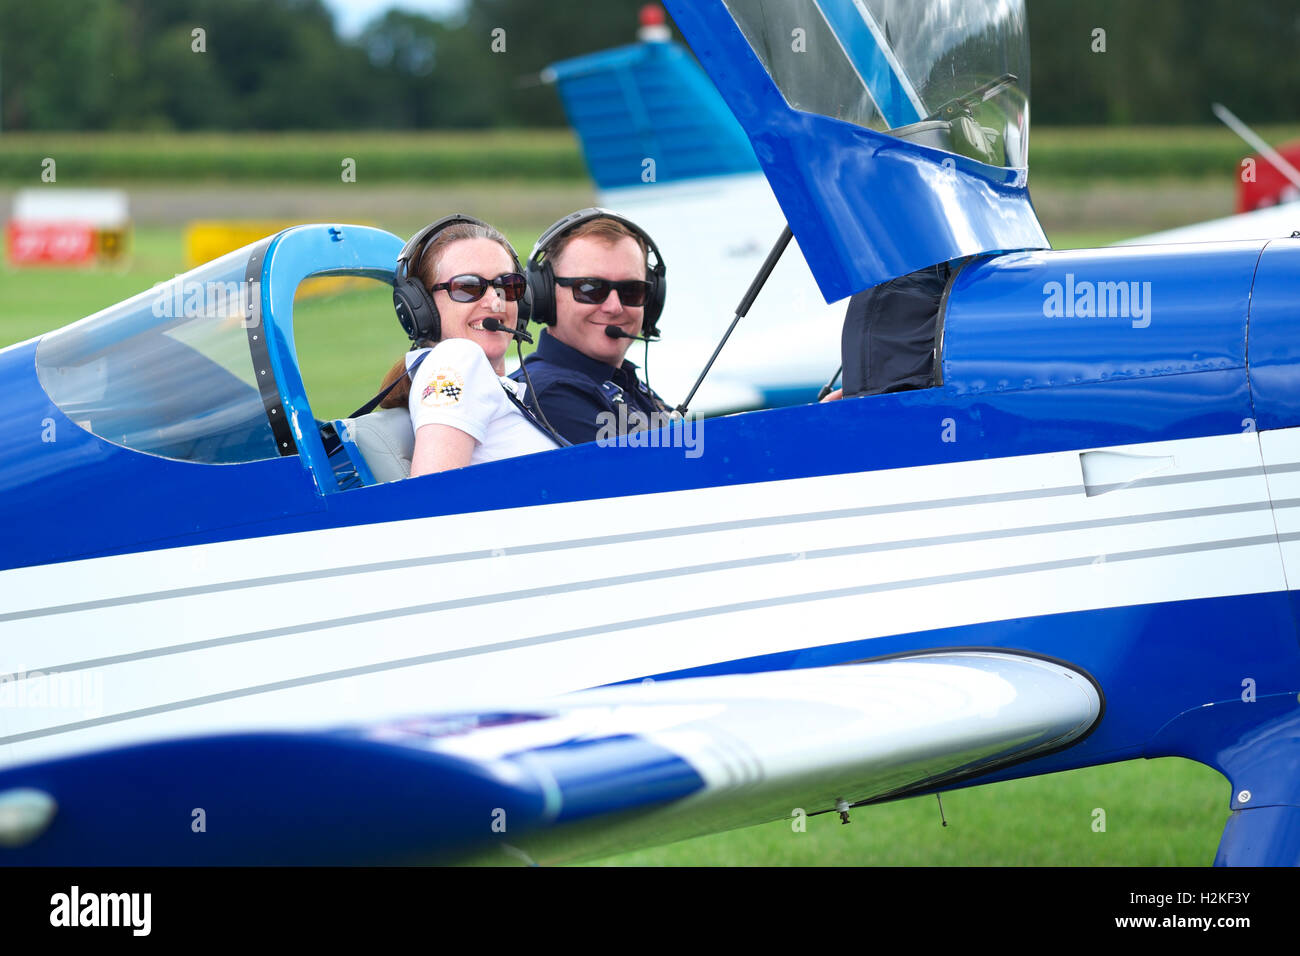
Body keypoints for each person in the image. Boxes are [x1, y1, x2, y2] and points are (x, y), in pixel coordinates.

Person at [374, 215, 560, 476]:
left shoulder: (482, 380)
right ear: (421, 306)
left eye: (507, 286)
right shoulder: (457, 359)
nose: (495, 302)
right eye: (468, 288)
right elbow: (434, 494)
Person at [510, 208, 671, 446]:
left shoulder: (621, 381)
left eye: (632, 291)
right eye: (590, 289)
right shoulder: (551, 394)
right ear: (544, 294)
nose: (614, 307)